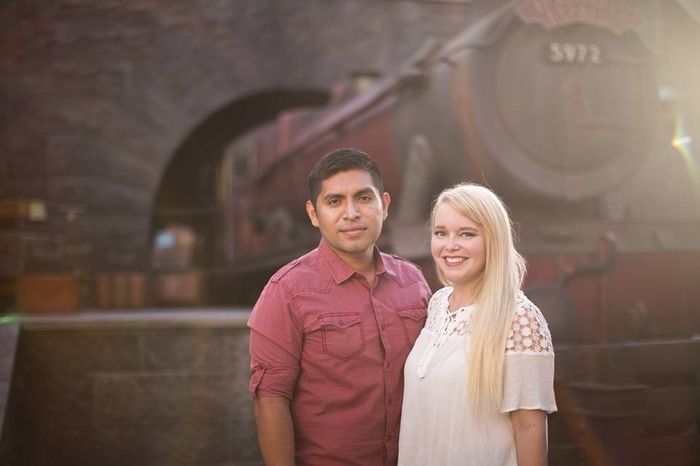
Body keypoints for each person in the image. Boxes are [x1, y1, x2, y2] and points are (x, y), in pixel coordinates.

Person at [248, 148, 431, 466]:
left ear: (384, 205)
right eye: (335, 201)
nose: (351, 213)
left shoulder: (413, 281)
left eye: (364, 198)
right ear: (313, 214)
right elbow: (271, 400)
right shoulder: (286, 291)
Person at [398, 183, 557, 466]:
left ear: (493, 241)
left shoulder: (519, 318)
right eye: (441, 233)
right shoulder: (438, 304)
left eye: (466, 234)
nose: (450, 245)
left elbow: (527, 427)